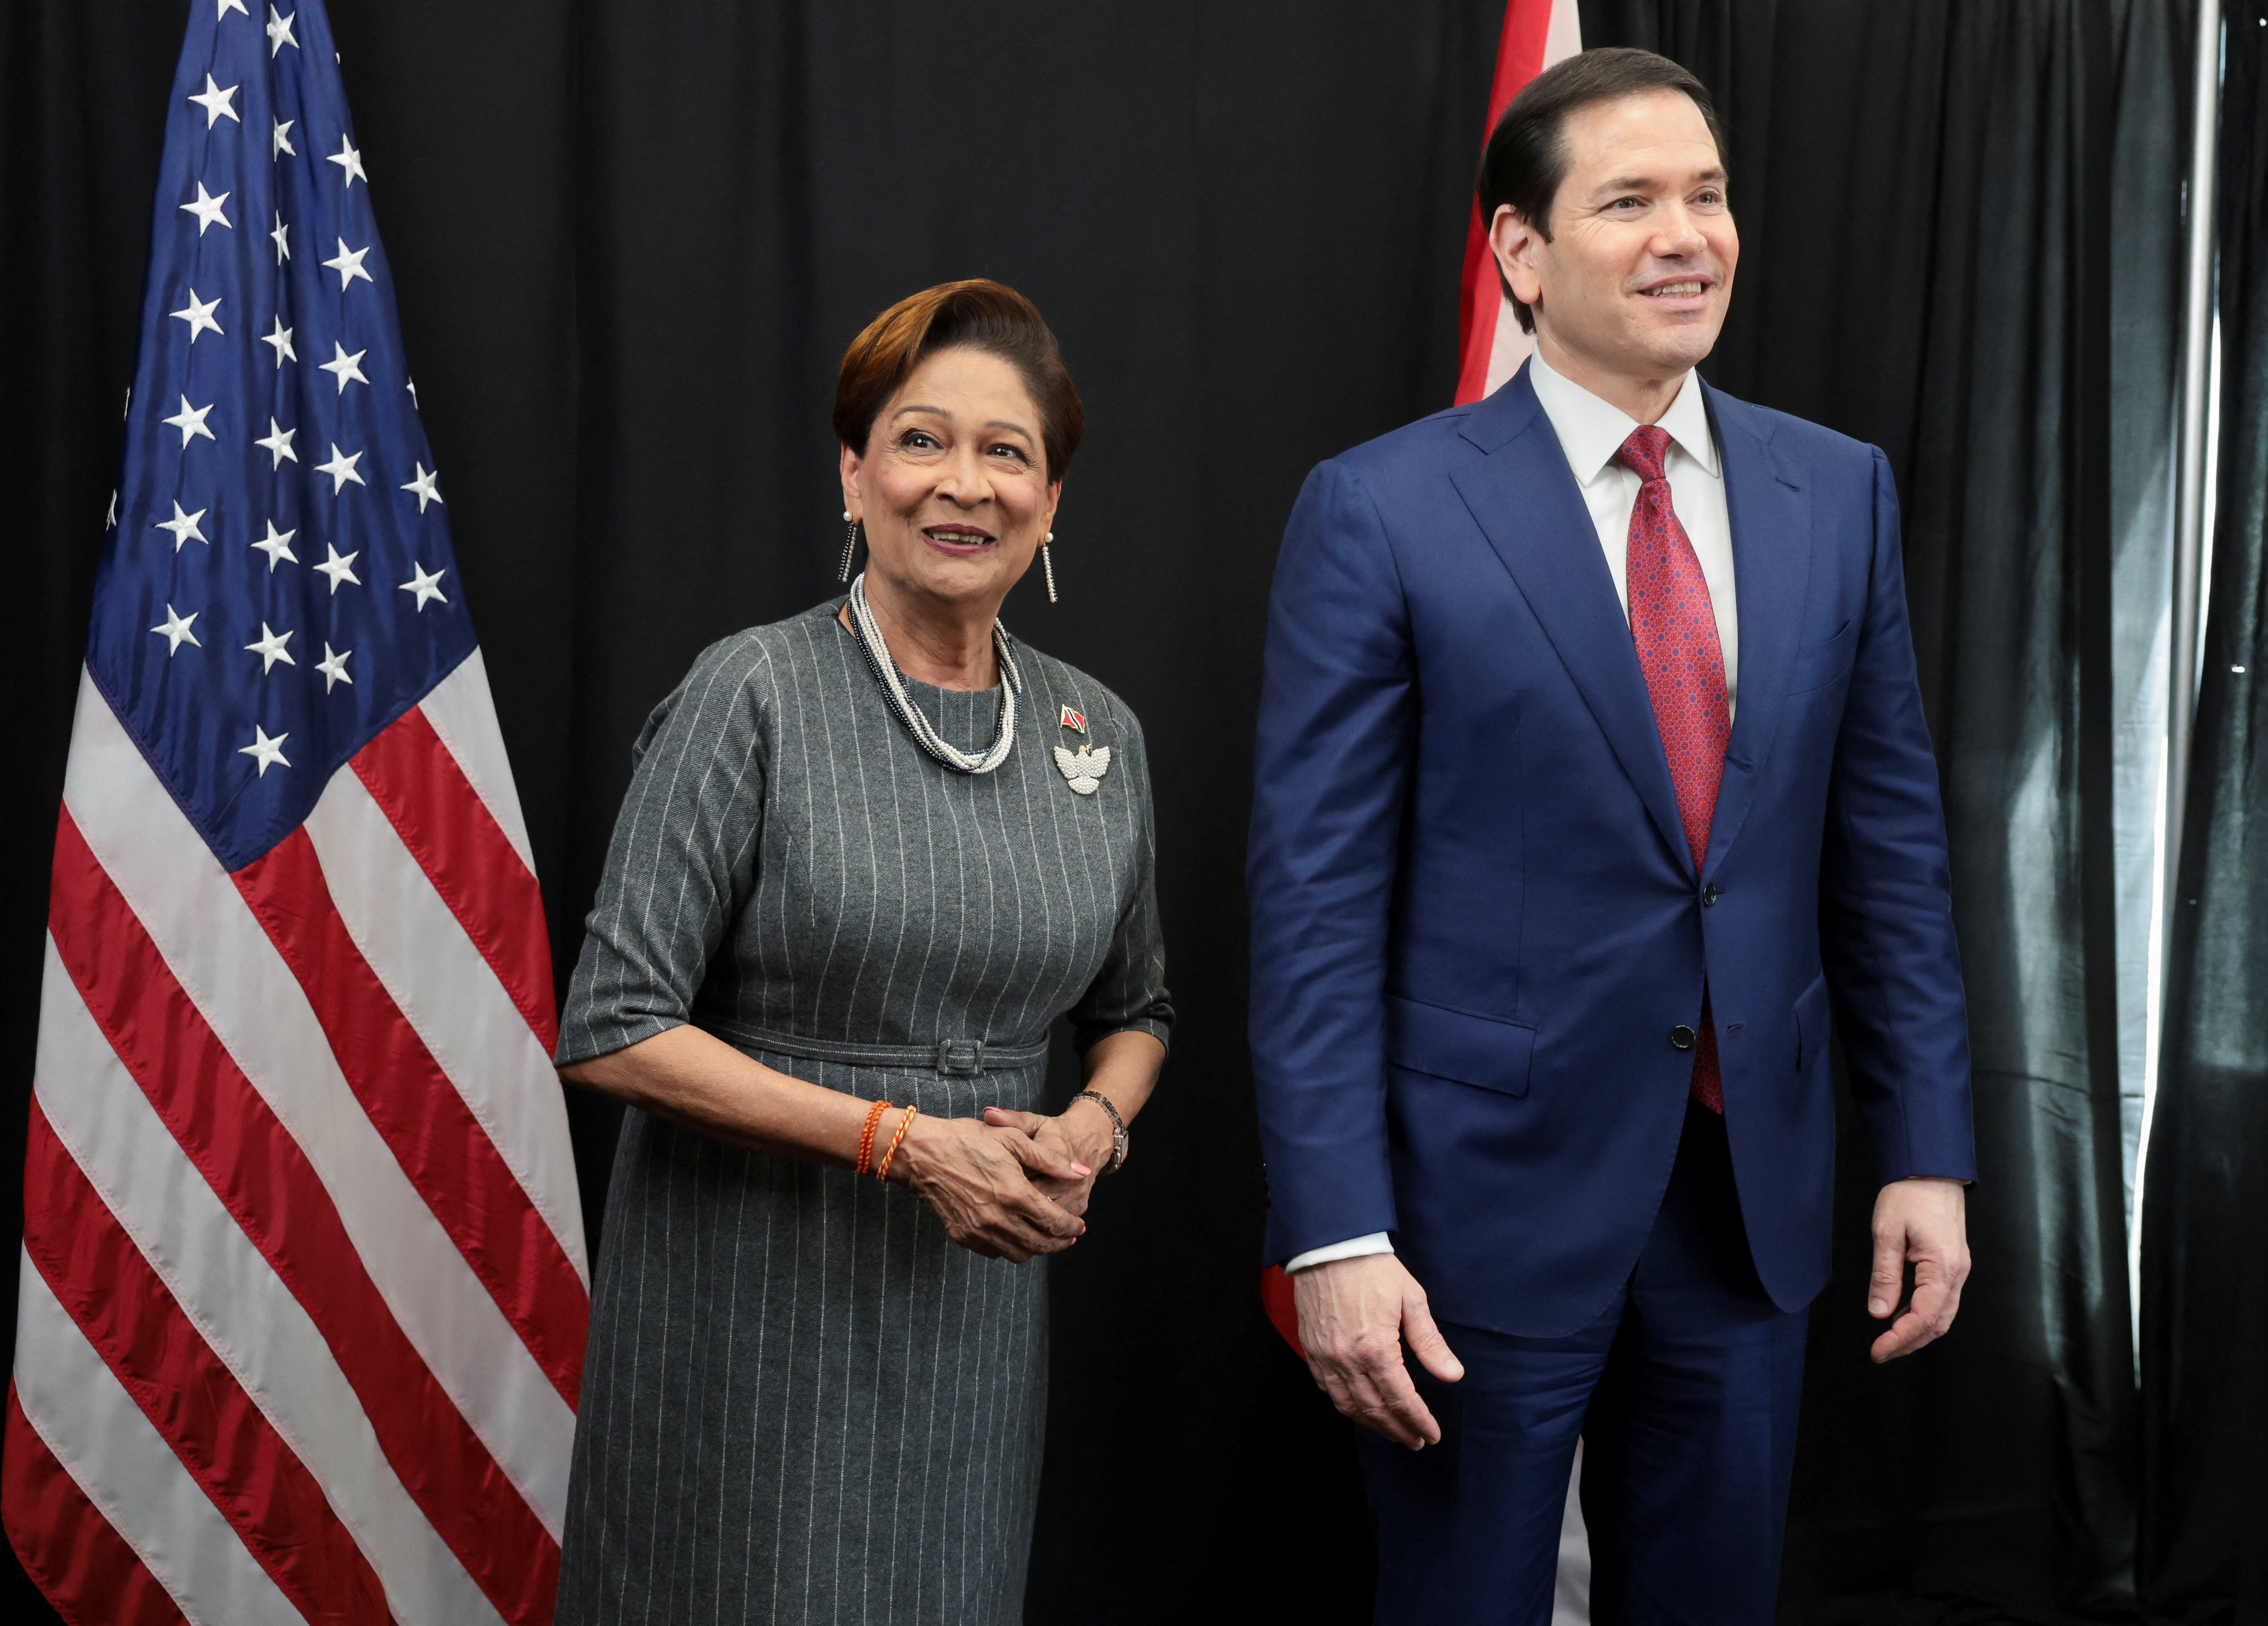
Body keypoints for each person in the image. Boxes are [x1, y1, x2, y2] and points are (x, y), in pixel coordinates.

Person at [1247, 48, 1975, 1624]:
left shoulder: (1835, 492)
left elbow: (1889, 855)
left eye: (1706, 195)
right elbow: (1312, 905)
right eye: (1630, 199)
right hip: (1468, 1216)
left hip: (1746, 1201)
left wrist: (1922, 1146)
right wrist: (1333, 1233)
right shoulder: (1380, 509)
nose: (1685, 235)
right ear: (1519, 252)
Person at [551, 279, 1171, 1625]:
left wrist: (1093, 1126)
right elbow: (611, 1024)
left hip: (970, 1324)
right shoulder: (752, 692)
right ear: (854, 473)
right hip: (749, 1320)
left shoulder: (1096, 732)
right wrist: (902, 1141)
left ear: (1052, 499)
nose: (965, 484)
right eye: (919, 439)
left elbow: (1140, 1007)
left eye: (1007, 452)